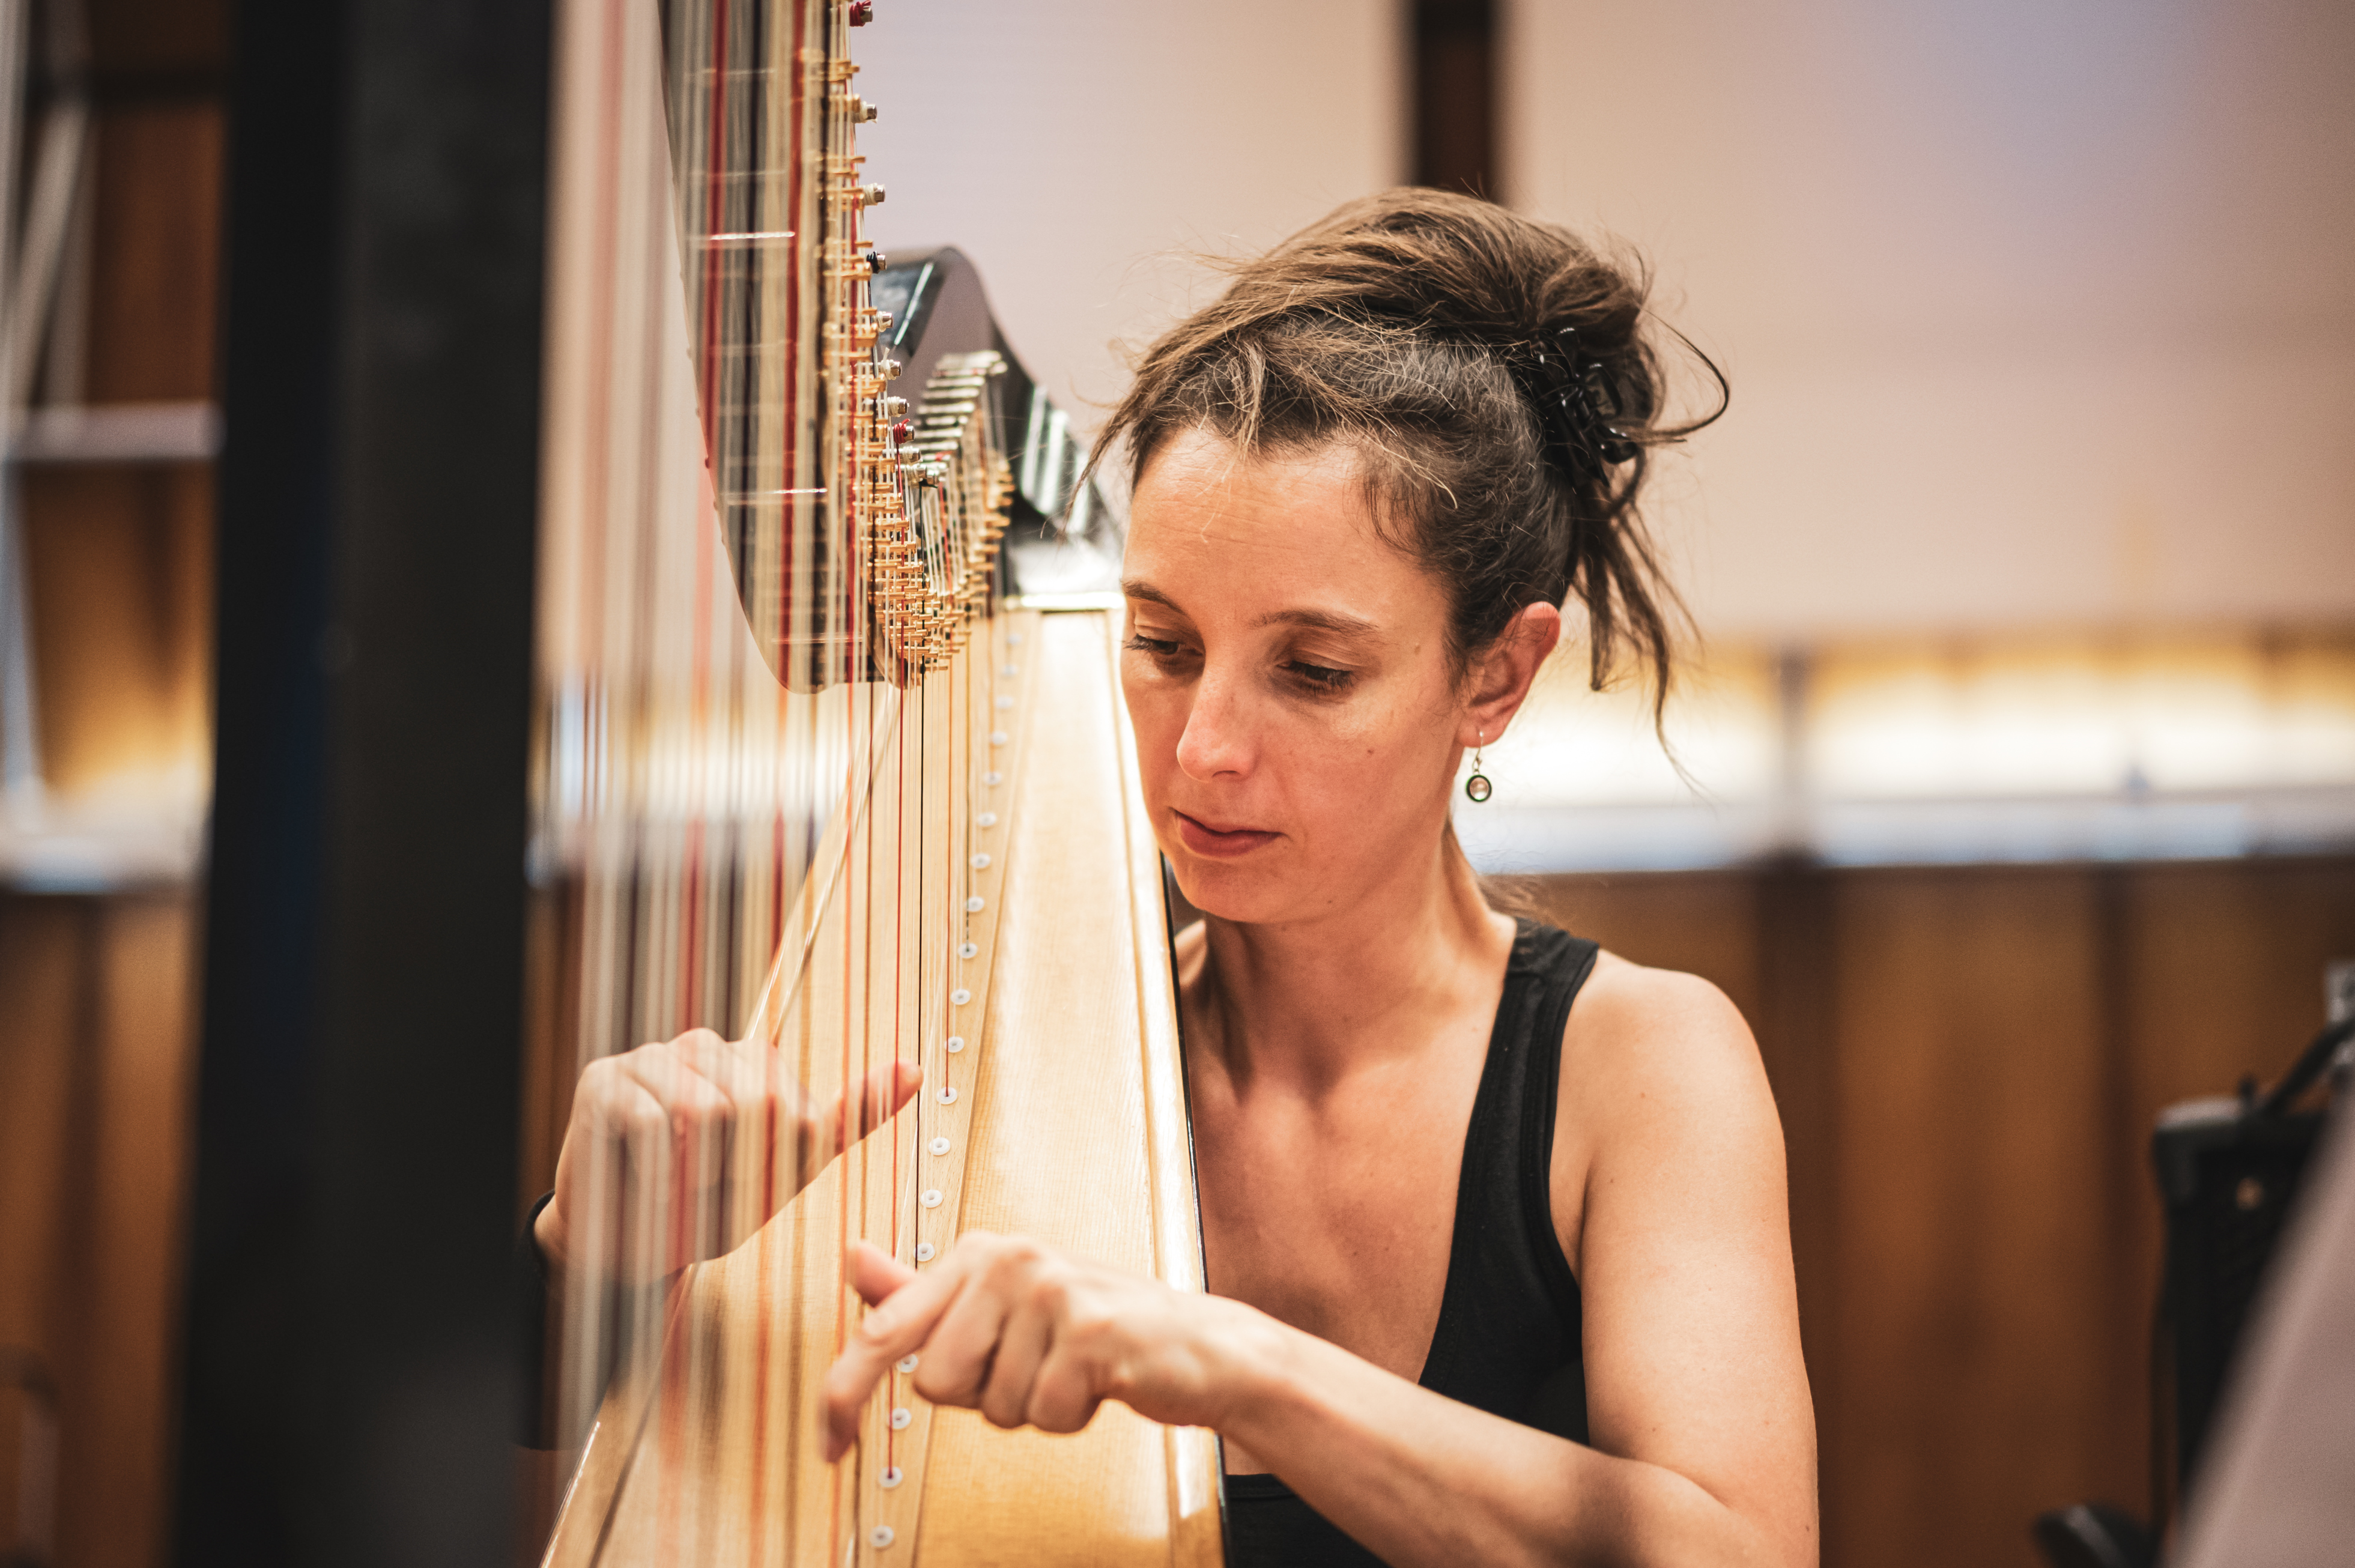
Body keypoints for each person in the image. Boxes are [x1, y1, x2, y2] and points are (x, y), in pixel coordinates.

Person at [536, 189, 1817, 1568]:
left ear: (1494, 675)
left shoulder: (1636, 1063)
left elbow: (1735, 1548)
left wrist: (1230, 1361)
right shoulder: (1000, 1045)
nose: (1203, 748)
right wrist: (590, 1249)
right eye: (1160, 643)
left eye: (1310, 670)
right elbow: (610, 1415)